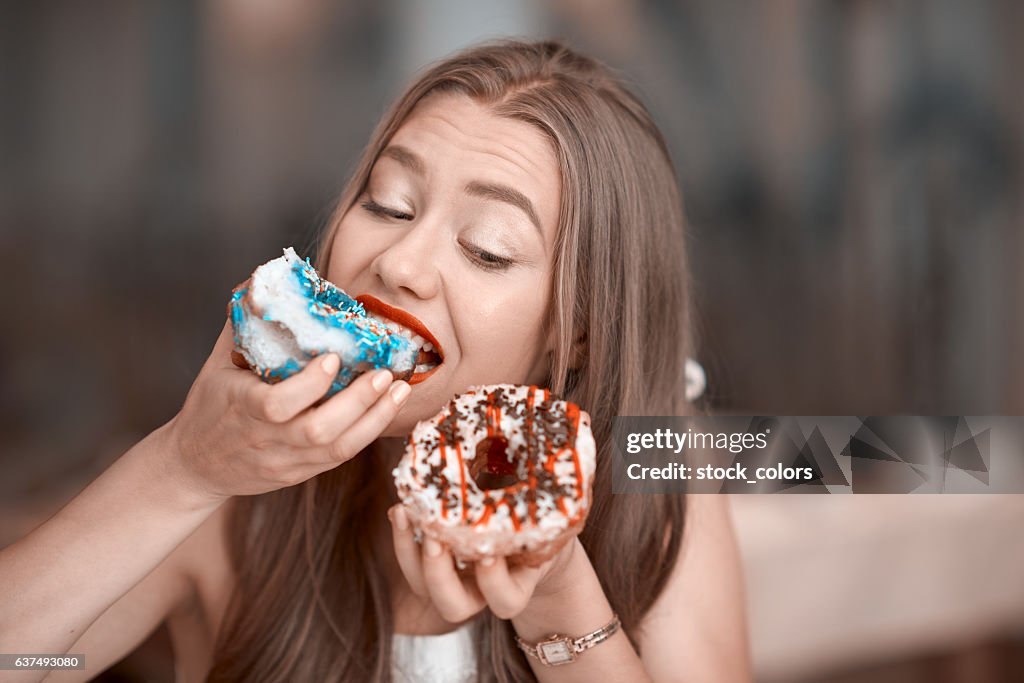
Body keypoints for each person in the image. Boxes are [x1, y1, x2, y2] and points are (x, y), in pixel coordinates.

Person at [0, 39, 750, 682]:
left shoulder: (662, 476)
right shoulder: (233, 487)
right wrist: (182, 466)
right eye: (388, 204)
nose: (399, 263)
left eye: (486, 248)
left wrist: (556, 596)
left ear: (577, 332)